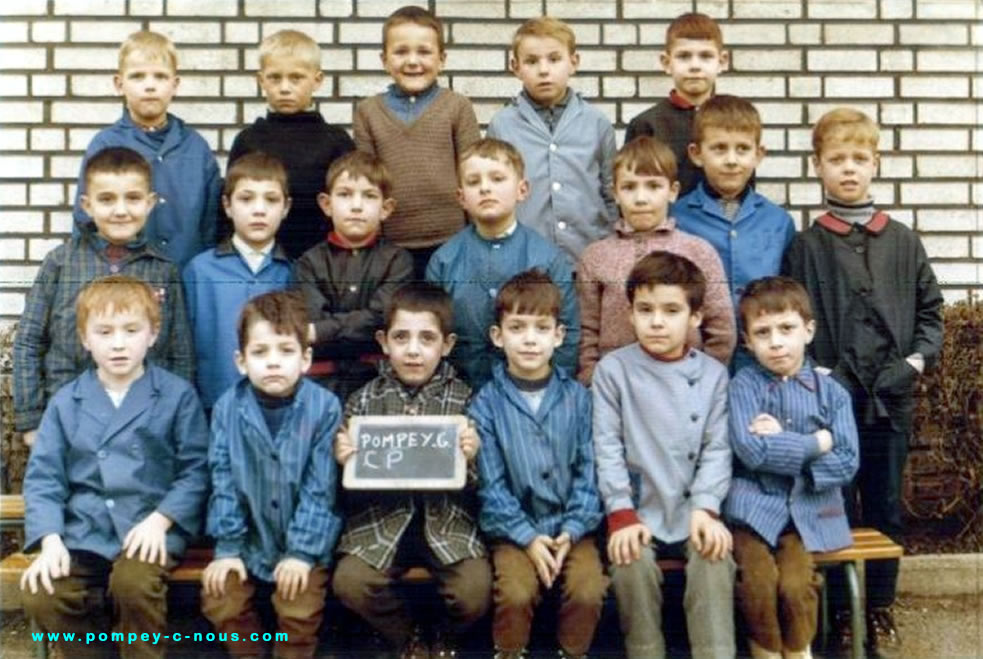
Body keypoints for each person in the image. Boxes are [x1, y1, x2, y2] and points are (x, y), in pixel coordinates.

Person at [783, 107, 943, 656]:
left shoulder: (901, 240)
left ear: (876, 163)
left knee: (884, 505)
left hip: (890, 400)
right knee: (829, 501)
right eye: (836, 160)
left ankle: (877, 607)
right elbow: (794, 316)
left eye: (859, 159)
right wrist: (823, 374)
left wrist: (916, 362)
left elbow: (930, 311)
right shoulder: (807, 246)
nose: (848, 169)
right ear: (818, 167)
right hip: (830, 402)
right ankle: (835, 612)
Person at [20, 275, 209, 659]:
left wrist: (162, 520)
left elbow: (196, 470)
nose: (119, 343)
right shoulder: (66, 401)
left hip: (148, 528)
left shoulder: (175, 395)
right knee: (42, 591)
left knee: (133, 585)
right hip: (84, 531)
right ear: (86, 339)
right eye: (104, 332)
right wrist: (51, 539)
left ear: (153, 334)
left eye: (131, 330)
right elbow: (44, 479)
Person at [332, 283, 491, 658]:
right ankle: (407, 635)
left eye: (427, 338)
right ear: (384, 342)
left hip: (447, 521)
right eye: (401, 337)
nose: (414, 350)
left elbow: (484, 486)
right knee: (350, 582)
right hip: (380, 520)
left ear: (447, 345)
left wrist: (472, 458)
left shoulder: (467, 400)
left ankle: (446, 634)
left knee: (474, 592)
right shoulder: (364, 400)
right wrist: (343, 462)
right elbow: (348, 489)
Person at [593, 251, 734, 659]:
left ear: (695, 317)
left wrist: (707, 508)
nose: (657, 321)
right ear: (631, 314)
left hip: (693, 507)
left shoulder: (712, 374)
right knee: (630, 564)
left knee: (714, 559)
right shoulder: (613, 371)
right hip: (638, 511)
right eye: (646, 310)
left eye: (671, 310)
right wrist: (621, 513)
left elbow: (717, 448)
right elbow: (606, 447)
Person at [14, 146, 193, 448]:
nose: (121, 210)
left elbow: (180, 353)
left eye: (133, 198)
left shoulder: (163, 270)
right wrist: (32, 420)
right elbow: (29, 342)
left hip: (144, 426)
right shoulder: (60, 263)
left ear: (150, 203)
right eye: (107, 199)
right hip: (70, 424)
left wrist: (174, 419)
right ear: (86, 205)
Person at [471, 269, 606, 659]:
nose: (530, 339)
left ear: (558, 336)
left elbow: (589, 471)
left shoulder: (578, 398)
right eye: (517, 327)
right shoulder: (486, 404)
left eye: (541, 328)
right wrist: (526, 537)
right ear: (498, 336)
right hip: (514, 530)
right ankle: (509, 652)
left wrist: (573, 528)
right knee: (515, 591)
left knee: (588, 588)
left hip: (572, 528)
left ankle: (572, 652)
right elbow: (490, 486)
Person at [200, 291, 342, 659]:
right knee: (220, 599)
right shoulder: (227, 409)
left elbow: (320, 488)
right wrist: (228, 549)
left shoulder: (324, 408)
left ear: (306, 358)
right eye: (260, 353)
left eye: (285, 350)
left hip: (306, 543)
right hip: (248, 541)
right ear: (241, 361)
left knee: (298, 609)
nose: (274, 363)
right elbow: (223, 481)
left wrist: (301, 553)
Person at [725, 276, 860, 659]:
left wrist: (780, 443)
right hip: (751, 511)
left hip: (810, 513)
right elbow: (750, 450)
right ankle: (765, 650)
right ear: (747, 341)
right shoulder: (743, 386)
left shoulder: (831, 393)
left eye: (787, 328)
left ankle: (799, 650)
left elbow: (848, 460)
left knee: (797, 584)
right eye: (762, 332)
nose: (777, 342)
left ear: (809, 330)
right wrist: (815, 443)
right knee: (757, 581)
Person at [577, 135, 735, 384]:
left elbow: (721, 326)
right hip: (617, 386)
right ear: (615, 193)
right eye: (629, 187)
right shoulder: (596, 256)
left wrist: (704, 380)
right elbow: (587, 330)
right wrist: (592, 379)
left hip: (684, 382)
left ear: (672, 192)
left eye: (653, 186)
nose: (641, 199)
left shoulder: (698, 251)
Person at [426, 138, 580, 390]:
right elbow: (433, 332)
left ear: (522, 190)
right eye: (474, 182)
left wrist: (552, 388)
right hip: (461, 389)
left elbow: (569, 331)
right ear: (461, 197)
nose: (485, 188)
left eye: (497, 179)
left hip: (532, 389)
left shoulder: (547, 258)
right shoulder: (444, 260)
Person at [71, 30, 220, 267]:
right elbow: (84, 225)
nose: (150, 86)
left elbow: (213, 228)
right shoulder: (105, 145)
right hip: (123, 283)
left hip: (184, 281)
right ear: (119, 84)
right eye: (138, 76)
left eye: (160, 77)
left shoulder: (197, 148)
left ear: (175, 84)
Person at [672, 94, 797, 372]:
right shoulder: (676, 218)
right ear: (696, 154)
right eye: (719, 148)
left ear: (758, 154)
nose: (731, 160)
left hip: (761, 360)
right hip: (694, 359)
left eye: (742, 149)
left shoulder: (778, 221)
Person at [353, 5, 481, 277]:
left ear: (441, 59)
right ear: (384, 60)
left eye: (424, 52)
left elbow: (473, 174)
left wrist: (476, 234)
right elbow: (367, 181)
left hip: (453, 240)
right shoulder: (368, 112)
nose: (413, 61)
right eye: (401, 52)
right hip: (392, 244)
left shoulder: (457, 107)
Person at [486, 16, 617, 262]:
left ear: (573, 62)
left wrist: (611, 247)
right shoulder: (502, 125)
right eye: (532, 61)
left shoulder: (597, 122)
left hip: (588, 255)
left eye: (554, 59)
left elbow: (611, 192)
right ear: (515, 67)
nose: (544, 70)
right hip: (524, 259)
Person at [295, 151, 413, 402]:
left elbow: (383, 321)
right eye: (345, 194)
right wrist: (356, 329)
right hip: (321, 385)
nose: (356, 206)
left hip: (383, 383)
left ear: (386, 208)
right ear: (326, 204)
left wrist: (323, 330)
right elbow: (312, 325)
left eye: (369, 196)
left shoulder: (398, 261)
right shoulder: (308, 263)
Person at [227, 29, 355, 259]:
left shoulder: (336, 141)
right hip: (260, 260)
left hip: (323, 262)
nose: (285, 88)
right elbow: (230, 207)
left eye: (296, 78)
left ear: (317, 81)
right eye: (275, 78)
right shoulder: (248, 140)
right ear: (261, 80)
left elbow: (348, 204)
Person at [182, 152, 293, 413]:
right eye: (246, 198)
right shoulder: (199, 271)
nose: (259, 209)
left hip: (277, 408)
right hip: (211, 407)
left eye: (271, 199)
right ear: (227, 205)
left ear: (286, 208)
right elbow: (182, 348)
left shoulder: (292, 272)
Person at [624, 12, 729, 197]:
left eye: (705, 56)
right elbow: (631, 189)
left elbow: (745, 187)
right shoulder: (646, 124)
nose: (695, 66)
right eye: (684, 56)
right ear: (666, 62)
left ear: (722, 62)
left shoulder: (734, 120)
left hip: (721, 224)